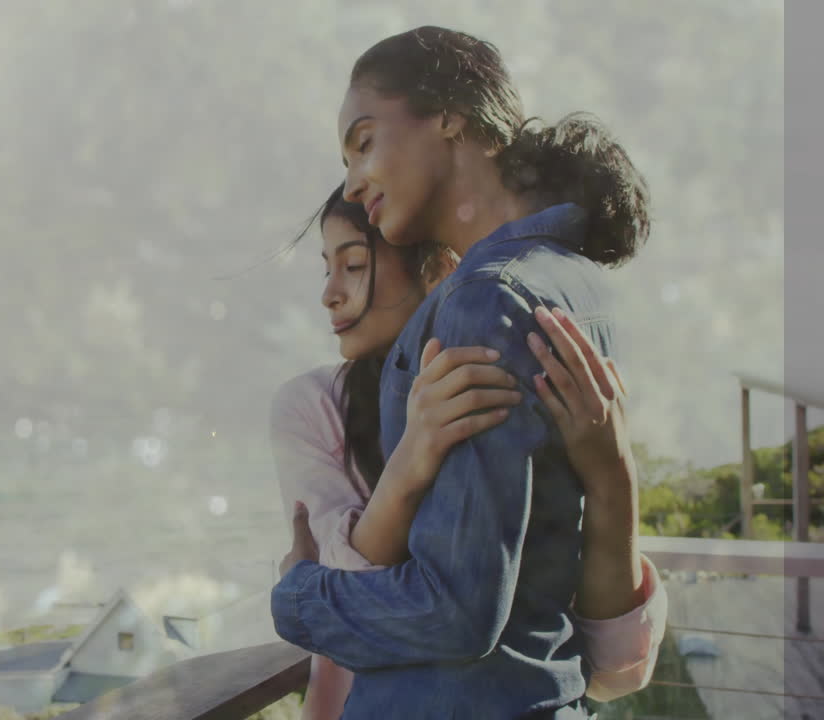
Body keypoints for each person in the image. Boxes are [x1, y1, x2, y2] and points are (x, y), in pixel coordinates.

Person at [271, 26, 654, 718]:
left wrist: (298, 593)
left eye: (363, 142)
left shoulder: (485, 302)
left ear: (449, 113)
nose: (354, 182)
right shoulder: (574, 278)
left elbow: (455, 613)